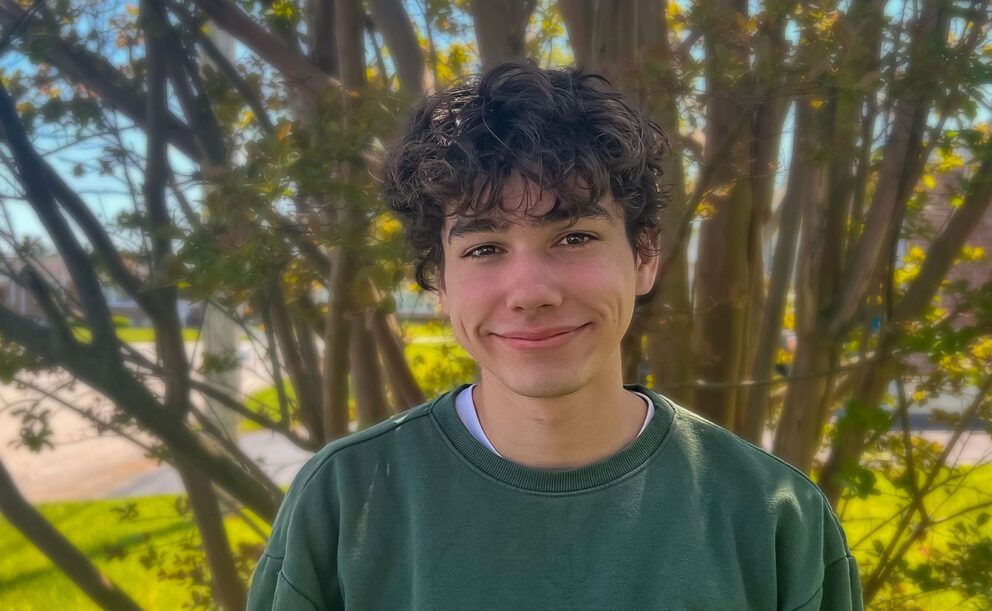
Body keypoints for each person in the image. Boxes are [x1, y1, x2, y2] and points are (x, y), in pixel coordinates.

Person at [246, 60, 863, 610]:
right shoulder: (347, 501)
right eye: (485, 247)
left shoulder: (773, 515)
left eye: (574, 237)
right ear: (439, 282)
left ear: (644, 255)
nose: (530, 290)